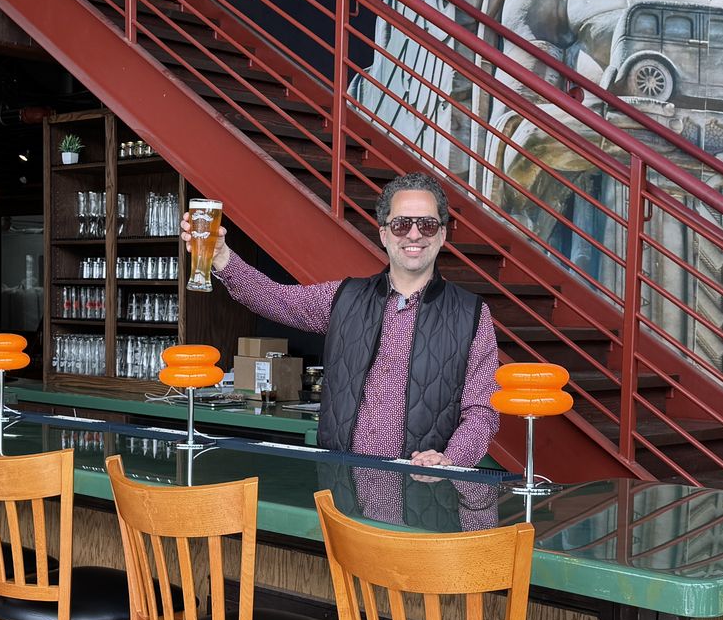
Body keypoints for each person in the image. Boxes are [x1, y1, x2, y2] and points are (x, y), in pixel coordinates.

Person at [187, 172, 499, 468]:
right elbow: (275, 298)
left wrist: (450, 461)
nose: (414, 234)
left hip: (425, 493)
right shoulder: (343, 298)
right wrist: (221, 256)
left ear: (442, 234)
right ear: (384, 234)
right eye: (402, 224)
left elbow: (482, 412)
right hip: (343, 487)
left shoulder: (471, 314)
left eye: (427, 225)